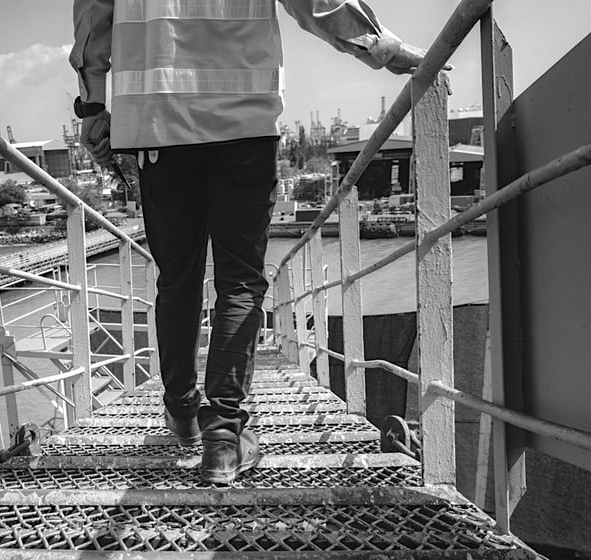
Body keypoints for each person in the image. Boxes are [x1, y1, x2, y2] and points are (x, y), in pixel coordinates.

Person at [71, 0, 434, 485]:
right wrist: (381, 47)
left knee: (177, 279)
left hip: (156, 125)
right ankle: (222, 437)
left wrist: (94, 105)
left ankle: (181, 410)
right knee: (241, 281)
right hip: (244, 126)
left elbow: (95, 18)